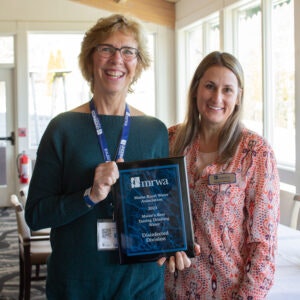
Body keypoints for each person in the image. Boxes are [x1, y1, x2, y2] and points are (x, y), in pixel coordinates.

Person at [25, 14, 169, 299]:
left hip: (141, 284)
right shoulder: (62, 128)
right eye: (106, 49)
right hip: (78, 282)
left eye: (128, 51)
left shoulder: (155, 131)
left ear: (138, 63)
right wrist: (89, 195)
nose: (117, 59)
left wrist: (174, 240)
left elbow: (161, 212)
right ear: (90, 59)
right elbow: (36, 215)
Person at [164, 51, 280, 299]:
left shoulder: (255, 152)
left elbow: (264, 245)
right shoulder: (169, 140)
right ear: (196, 89)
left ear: (238, 97)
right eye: (209, 86)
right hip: (169, 289)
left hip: (229, 291)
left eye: (227, 89)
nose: (217, 97)